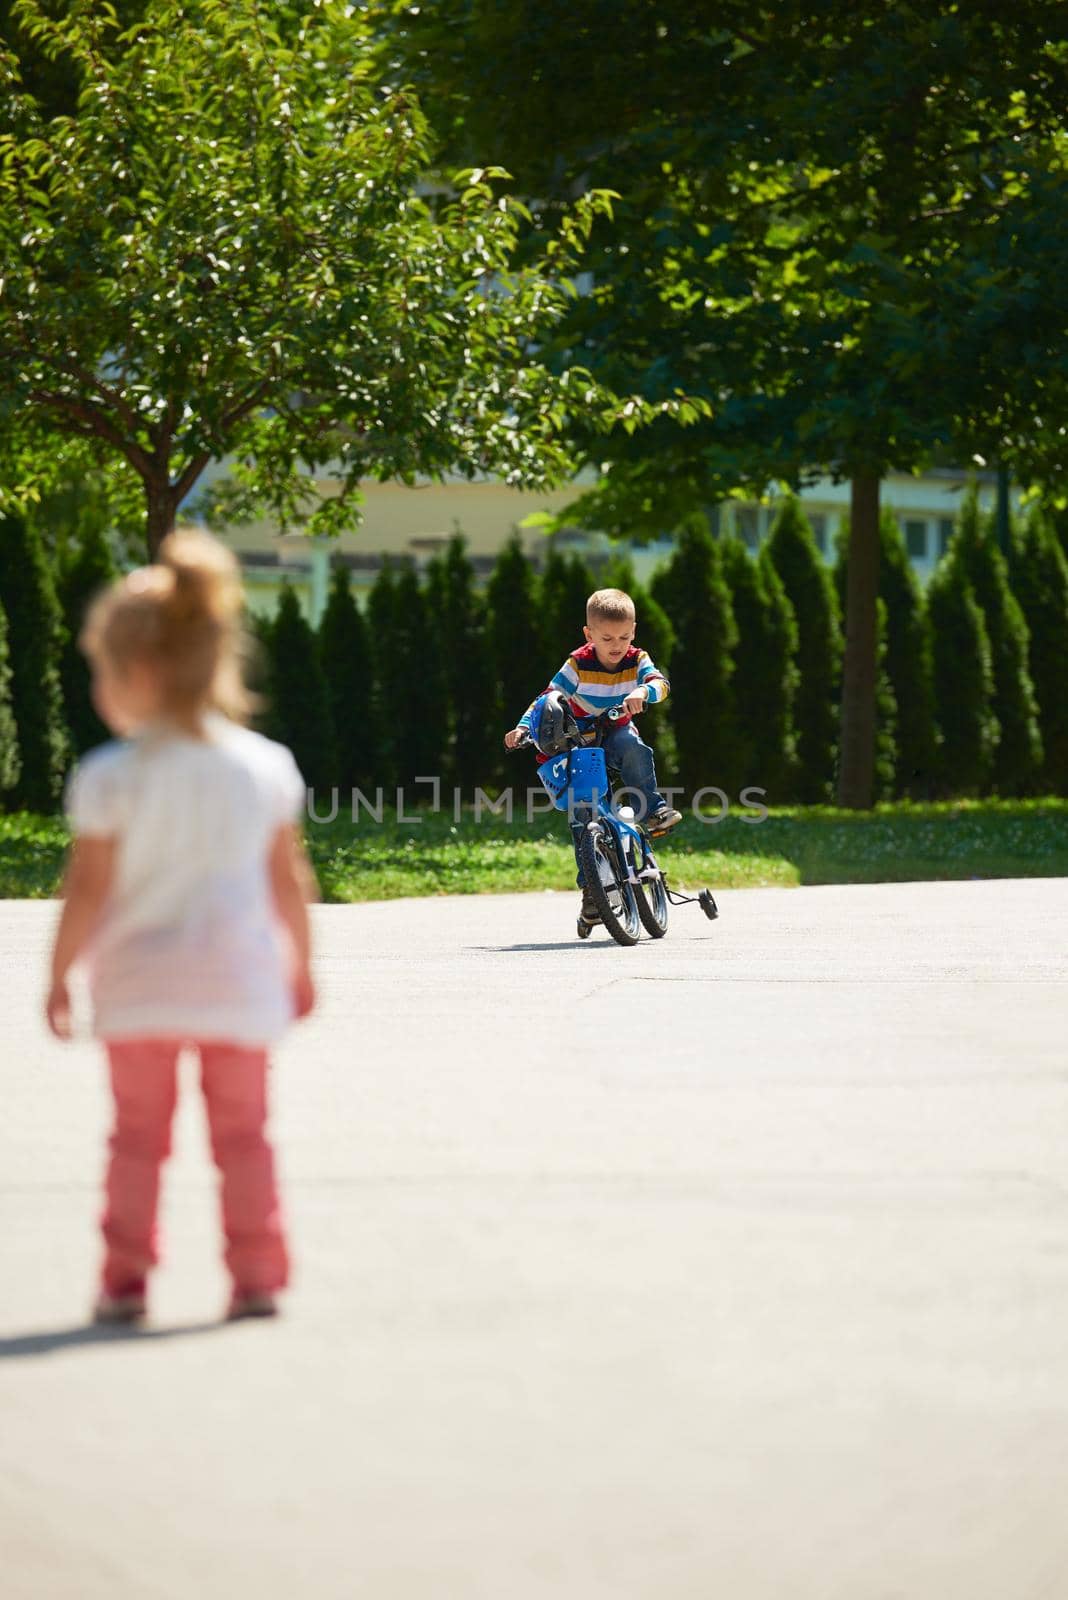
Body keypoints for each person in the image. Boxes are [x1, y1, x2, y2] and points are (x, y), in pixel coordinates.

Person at [46, 528, 317, 1326]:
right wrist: (301, 964)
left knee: (136, 1141)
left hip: (137, 990)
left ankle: (125, 1279)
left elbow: (87, 891)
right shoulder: (263, 766)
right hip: (238, 982)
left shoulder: (108, 777)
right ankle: (257, 1275)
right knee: (244, 1138)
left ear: (137, 673)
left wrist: (58, 974)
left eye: (100, 668)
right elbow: (288, 881)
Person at [504, 586, 681, 926]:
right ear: (589, 635)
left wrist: (644, 691)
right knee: (583, 817)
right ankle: (593, 893)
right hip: (579, 739)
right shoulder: (578, 663)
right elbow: (548, 698)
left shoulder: (636, 659)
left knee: (632, 746)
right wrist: (523, 728)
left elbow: (661, 683)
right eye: (607, 638)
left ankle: (652, 810)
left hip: (615, 730)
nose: (617, 645)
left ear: (634, 631)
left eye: (624, 636)